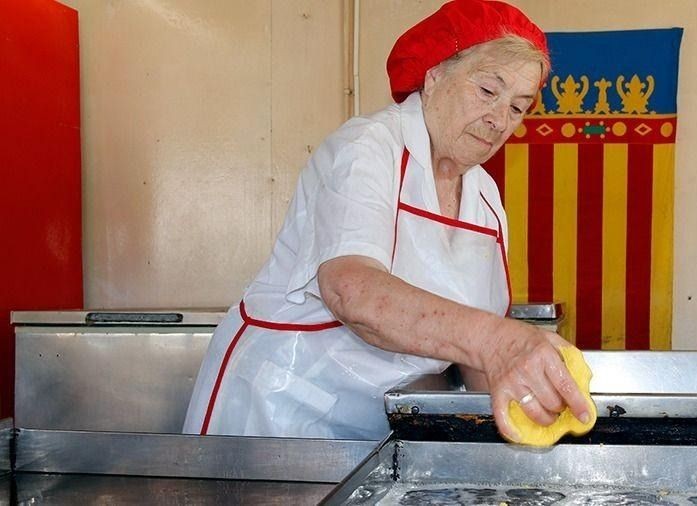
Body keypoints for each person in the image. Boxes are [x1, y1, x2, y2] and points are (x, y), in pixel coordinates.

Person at [183, 0, 592, 443]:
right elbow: (352, 289)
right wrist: (500, 342)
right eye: (488, 91)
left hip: (376, 428)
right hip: (278, 414)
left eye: (517, 108)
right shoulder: (368, 146)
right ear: (434, 78)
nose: (498, 120)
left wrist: (528, 406)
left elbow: (475, 354)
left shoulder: (486, 199)